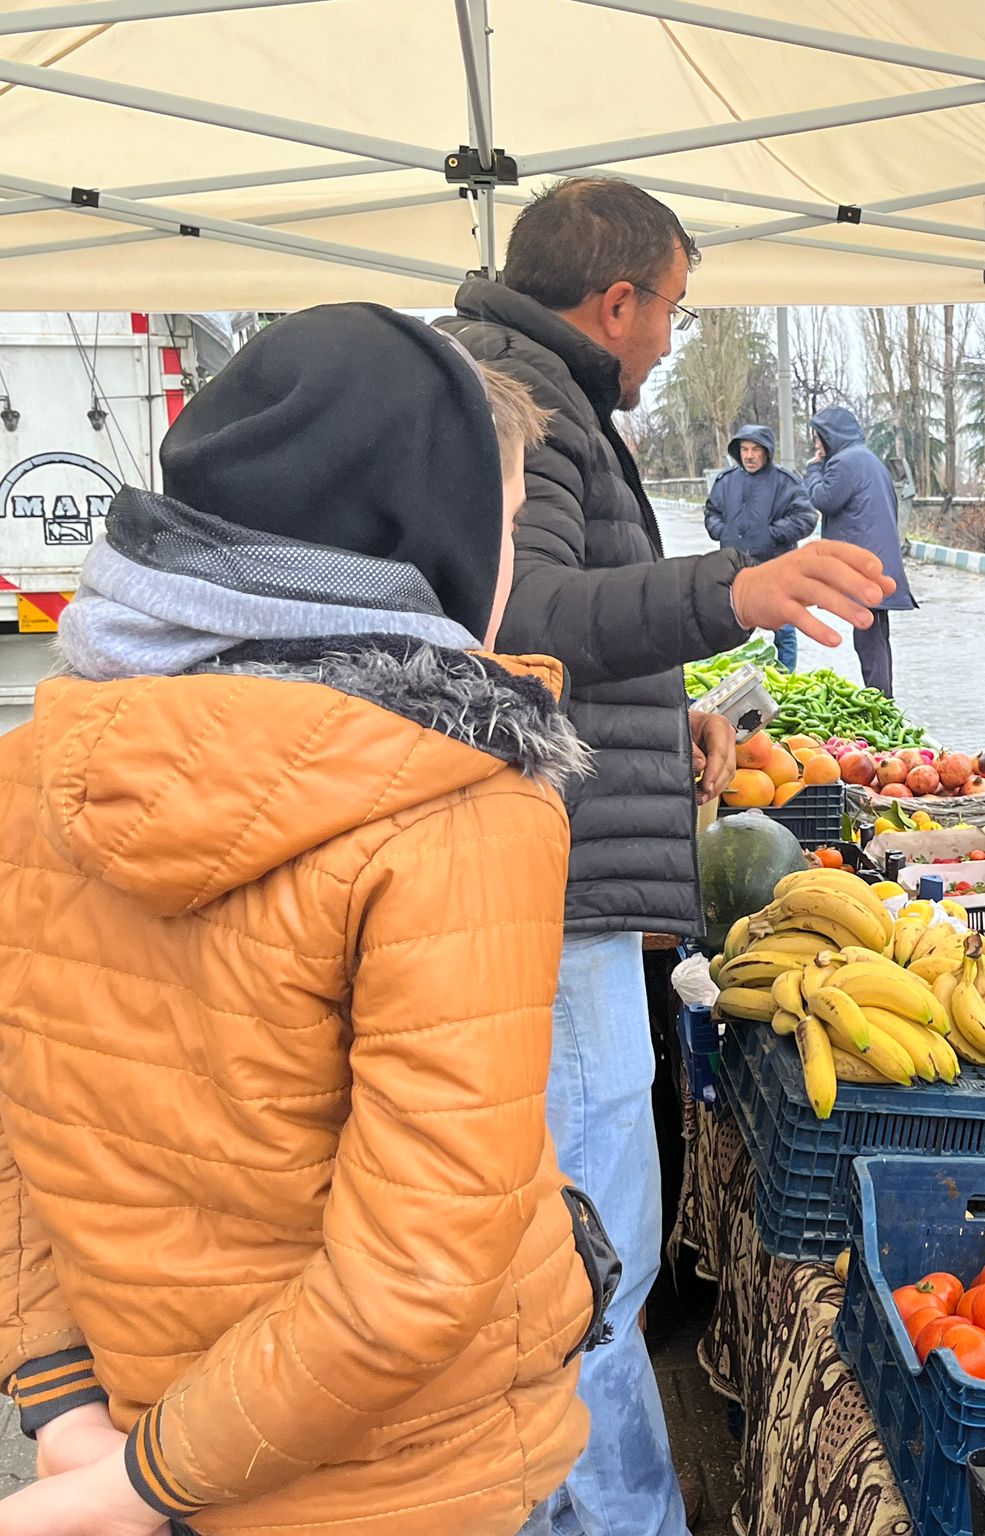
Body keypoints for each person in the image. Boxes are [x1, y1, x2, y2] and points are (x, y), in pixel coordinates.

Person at [0, 305, 602, 1536]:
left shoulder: (34, 769)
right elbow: (418, 1271)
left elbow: (22, 1129)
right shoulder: (459, 807)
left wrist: (71, 1416)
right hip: (416, 1480)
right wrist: (131, 1483)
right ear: (419, 530)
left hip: (138, 1429)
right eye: (502, 521)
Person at [441, 177, 892, 1536]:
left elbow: (554, 642)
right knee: (590, 1266)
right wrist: (730, 590)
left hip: (565, 878)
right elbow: (517, 614)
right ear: (618, 299)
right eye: (674, 311)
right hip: (555, 898)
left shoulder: (545, 395)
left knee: (592, 1254)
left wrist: (668, 705)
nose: (672, 341)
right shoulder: (516, 401)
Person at [804, 407, 917, 696]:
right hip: (877, 560)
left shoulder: (845, 462)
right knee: (876, 634)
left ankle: (880, 699)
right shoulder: (867, 458)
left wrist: (813, 468)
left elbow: (823, 499)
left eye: (820, 438)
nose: (817, 445)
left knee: (868, 637)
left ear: (831, 436)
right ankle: (883, 697)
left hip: (863, 565)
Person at [704, 424, 818, 670]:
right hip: (735, 567)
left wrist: (772, 534)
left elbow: (806, 517)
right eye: (744, 449)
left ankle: (786, 678)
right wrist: (722, 532)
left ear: (767, 451)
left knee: (784, 627)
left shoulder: (785, 482)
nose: (749, 455)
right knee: (731, 625)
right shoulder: (726, 482)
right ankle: (734, 677)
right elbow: (711, 512)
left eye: (756, 449)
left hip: (775, 565)